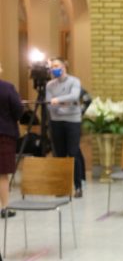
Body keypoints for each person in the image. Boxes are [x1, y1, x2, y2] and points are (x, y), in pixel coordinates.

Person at [45, 57, 85, 198]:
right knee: (59, 154)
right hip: (57, 120)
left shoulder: (74, 81)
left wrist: (59, 101)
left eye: (57, 66)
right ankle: (62, 187)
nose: (54, 69)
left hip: (73, 120)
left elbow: (74, 96)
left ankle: (78, 186)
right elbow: (49, 103)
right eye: (52, 66)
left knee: (73, 152)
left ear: (64, 67)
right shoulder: (50, 85)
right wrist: (61, 105)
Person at [0, 64, 23, 223]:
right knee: (2, 173)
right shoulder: (7, 88)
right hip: (5, 134)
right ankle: (5, 207)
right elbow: (19, 110)